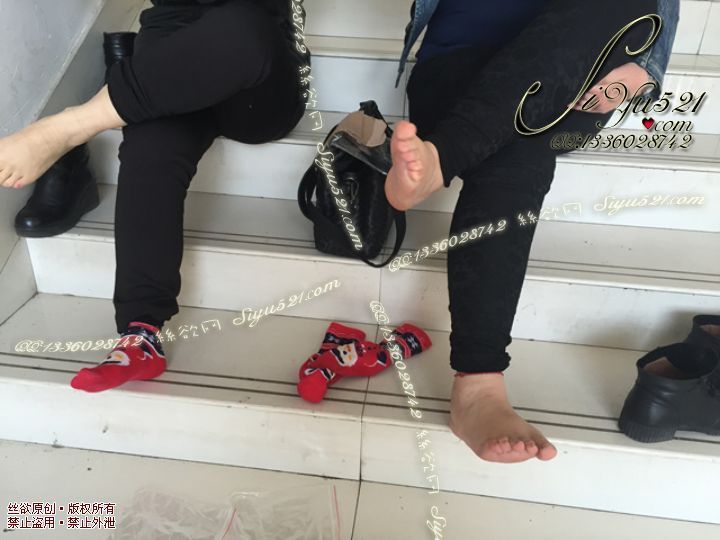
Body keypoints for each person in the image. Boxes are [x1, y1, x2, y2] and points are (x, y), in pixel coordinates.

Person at [386, 0, 679, 462]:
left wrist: (640, 71)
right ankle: (478, 387)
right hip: (457, 68)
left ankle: (442, 159)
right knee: (526, 142)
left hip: (580, 76)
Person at [0, 0, 309, 392]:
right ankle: (140, 334)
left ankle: (67, 129)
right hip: (170, 44)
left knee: (242, 28)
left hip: (259, 69)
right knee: (153, 145)